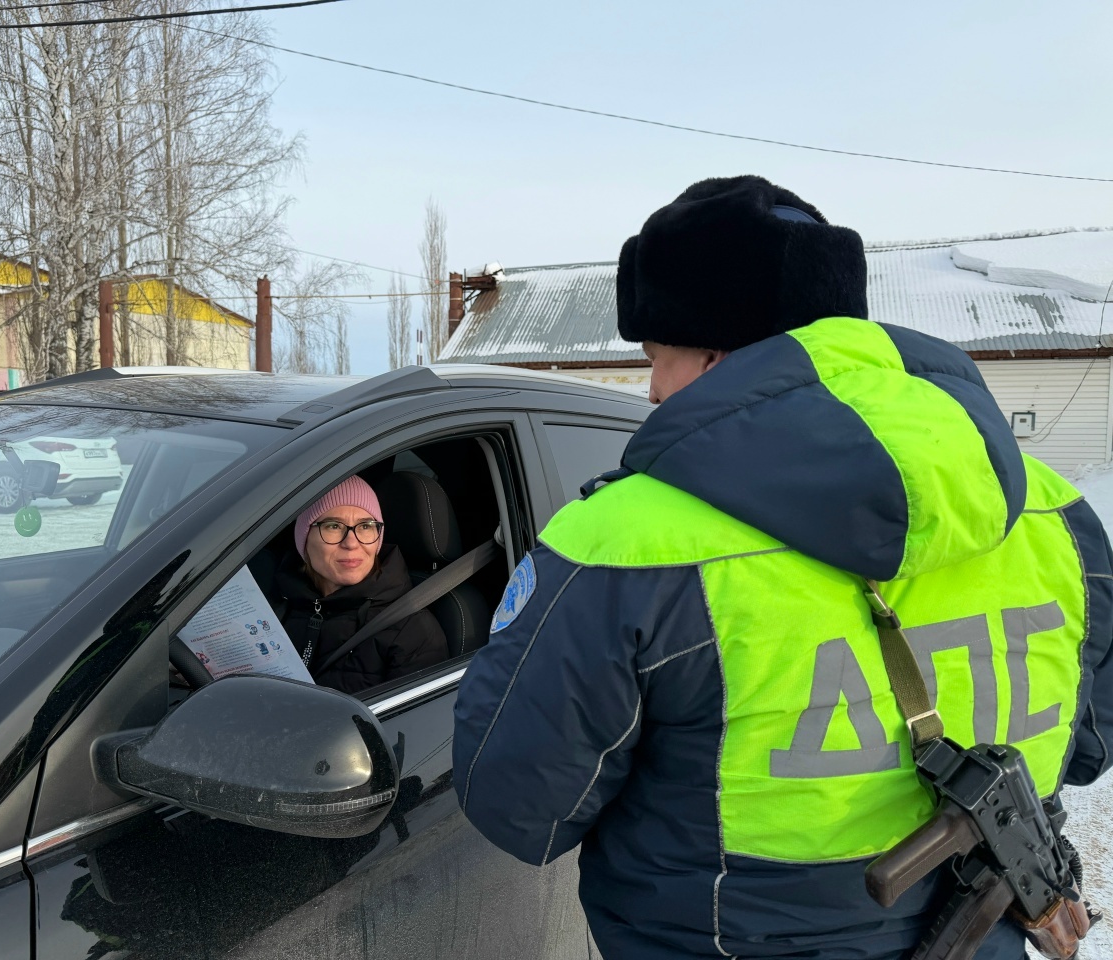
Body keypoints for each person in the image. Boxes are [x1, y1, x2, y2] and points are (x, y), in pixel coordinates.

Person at [452, 176, 1113, 959]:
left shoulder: (624, 543)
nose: (654, 389)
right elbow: (1088, 748)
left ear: (718, 352)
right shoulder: (1057, 515)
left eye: (658, 358)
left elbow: (518, 804)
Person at [275, 475, 447, 694]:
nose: (351, 543)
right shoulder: (275, 604)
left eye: (365, 526)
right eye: (334, 526)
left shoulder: (412, 630)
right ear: (305, 538)